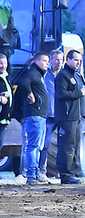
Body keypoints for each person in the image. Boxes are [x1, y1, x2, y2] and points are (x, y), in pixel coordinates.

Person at [55, 50, 85, 184]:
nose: (77, 63)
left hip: (77, 117)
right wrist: (79, 92)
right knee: (66, 146)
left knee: (74, 145)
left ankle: (72, 172)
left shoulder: (77, 75)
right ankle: (65, 174)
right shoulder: (63, 75)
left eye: (79, 61)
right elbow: (61, 94)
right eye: (75, 60)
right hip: (67, 116)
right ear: (67, 59)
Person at [20, 52, 50, 185]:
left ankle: (36, 173)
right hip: (35, 115)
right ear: (36, 61)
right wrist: (30, 94)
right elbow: (24, 83)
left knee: (38, 146)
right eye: (44, 61)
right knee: (33, 145)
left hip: (40, 116)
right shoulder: (33, 73)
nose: (47, 63)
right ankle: (31, 174)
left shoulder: (39, 75)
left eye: (47, 61)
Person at [38, 50, 64, 180]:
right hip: (49, 114)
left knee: (64, 145)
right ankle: (42, 170)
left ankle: (63, 171)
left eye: (61, 60)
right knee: (46, 144)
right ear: (51, 60)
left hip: (62, 114)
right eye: (56, 59)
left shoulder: (65, 75)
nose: (58, 62)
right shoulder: (45, 75)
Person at [0, 53, 12, 159]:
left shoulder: (6, 77)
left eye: (4, 63)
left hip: (4, 119)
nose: (3, 66)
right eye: (0, 63)